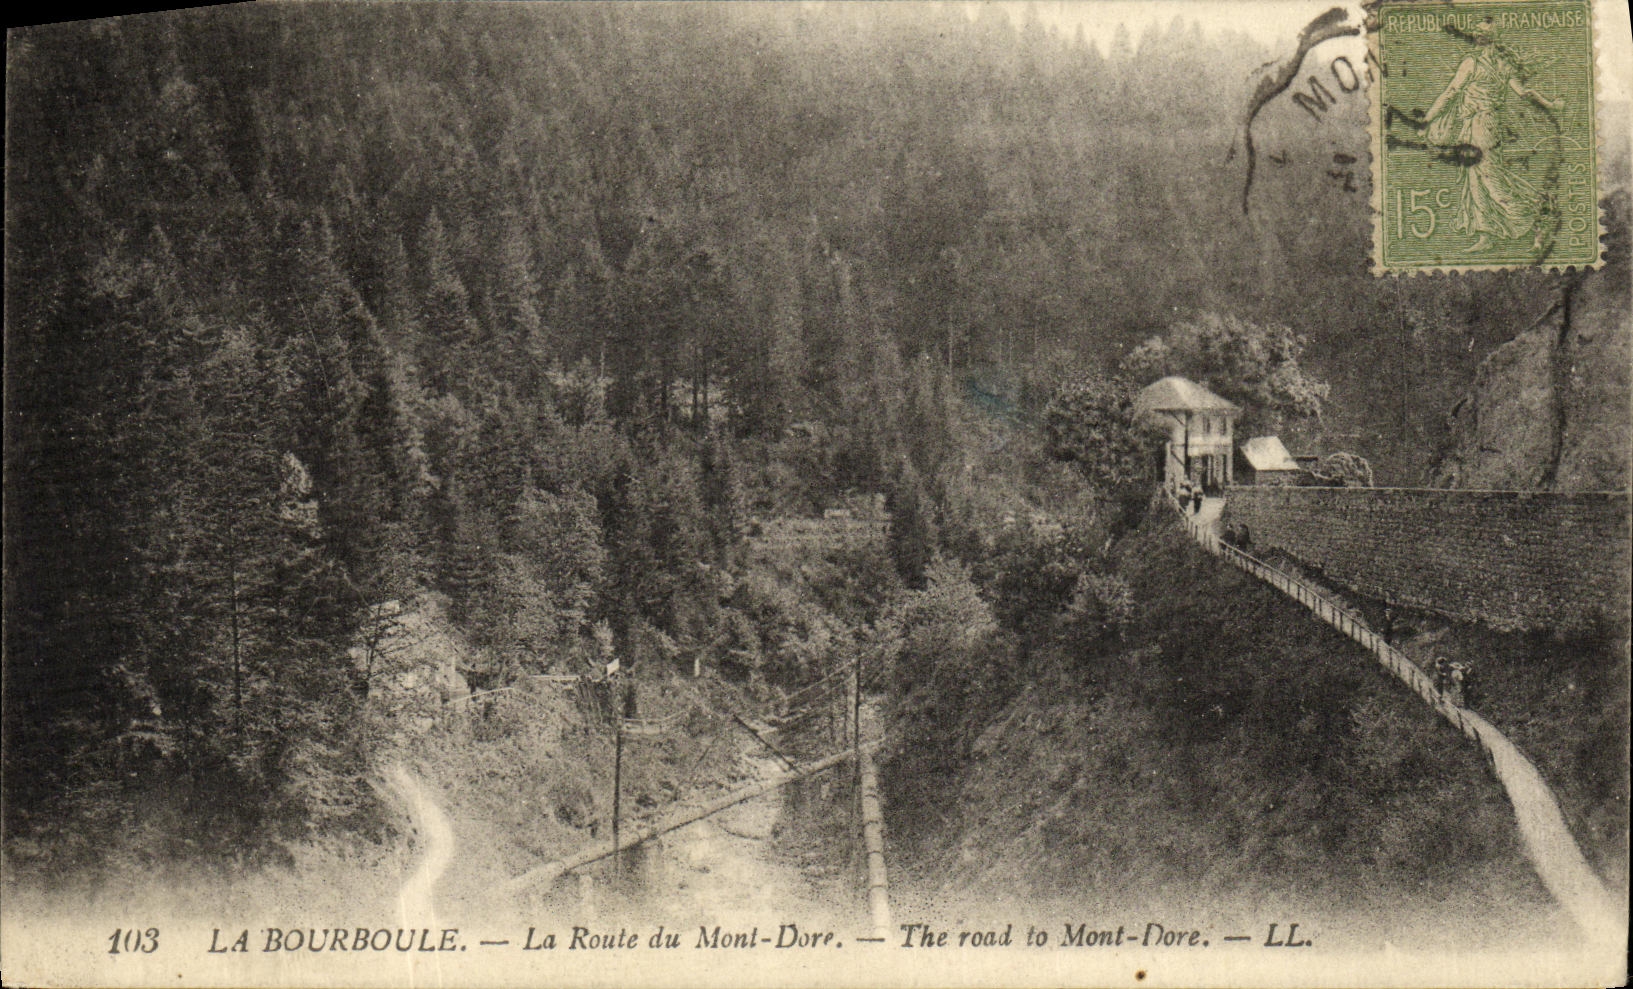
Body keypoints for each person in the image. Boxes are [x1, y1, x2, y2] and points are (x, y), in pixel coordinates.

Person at [1421, 18, 1564, 253]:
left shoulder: (1472, 63)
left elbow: (1450, 92)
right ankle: (1486, 235)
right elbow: (1524, 93)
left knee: (1490, 178)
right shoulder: (1503, 65)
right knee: (1475, 178)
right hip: (1484, 125)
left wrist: (1426, 119)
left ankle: (1535, 218)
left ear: (1482, 37)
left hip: (1480, 125)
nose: (1476, 33)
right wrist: (1550, 104)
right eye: (1477, 30)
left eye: (1479, 31)